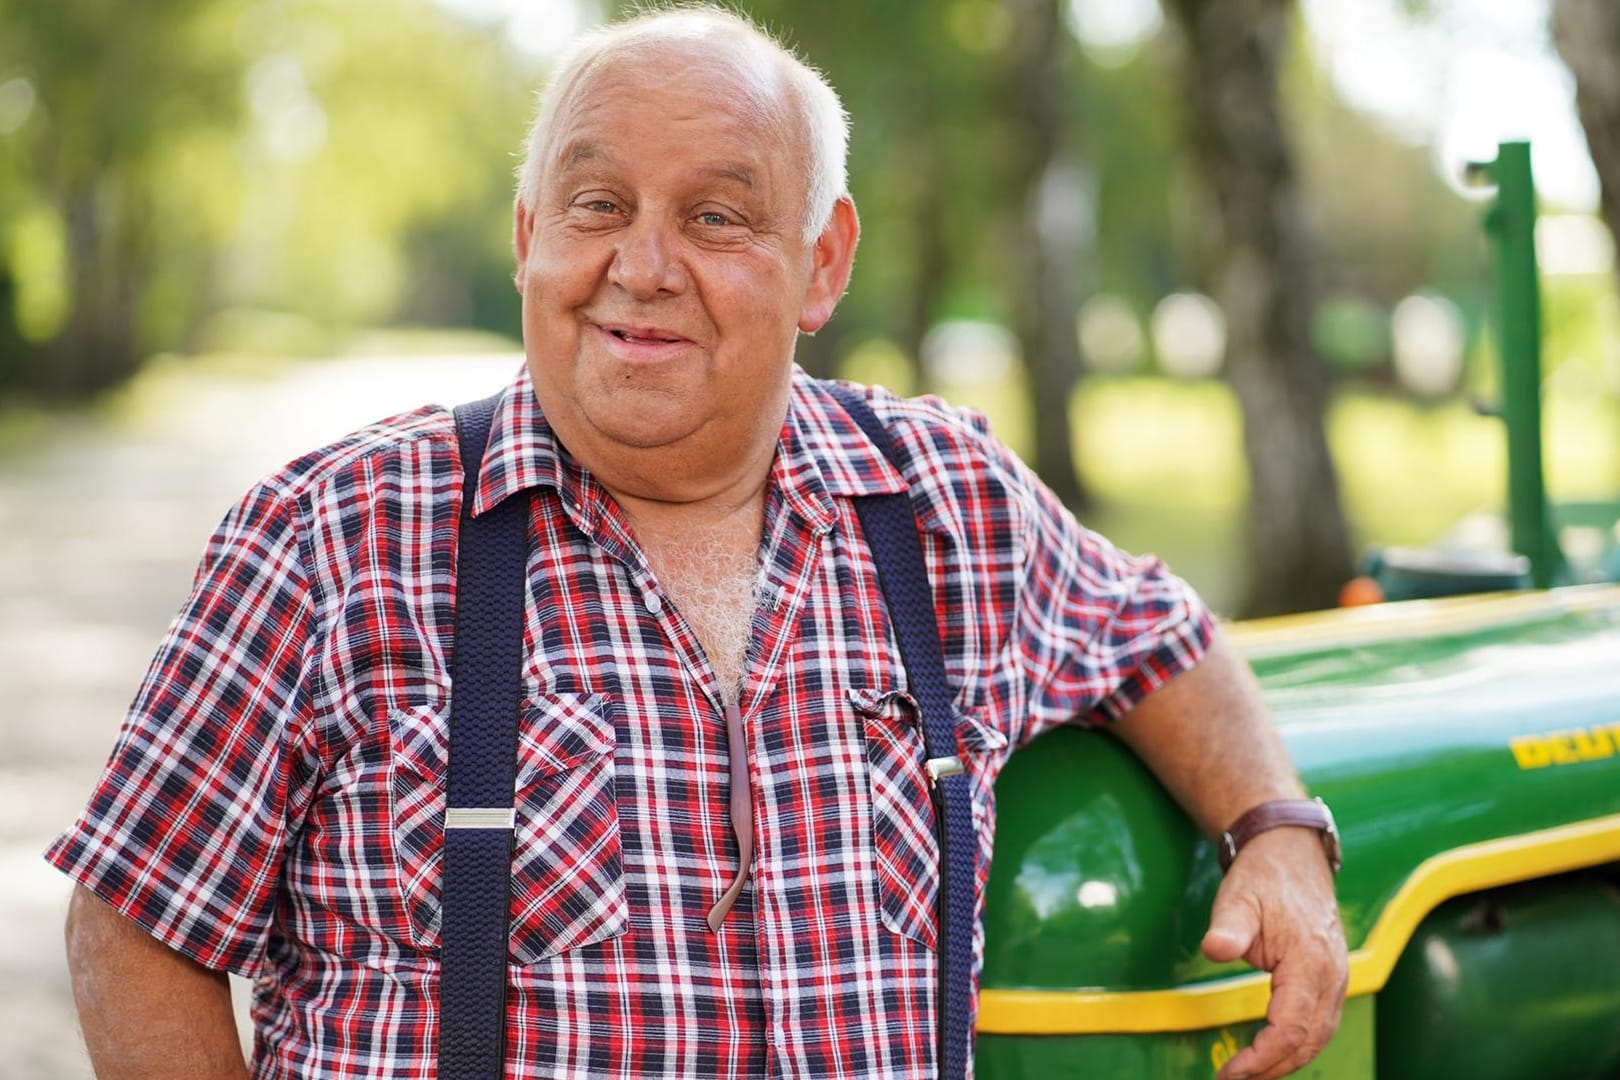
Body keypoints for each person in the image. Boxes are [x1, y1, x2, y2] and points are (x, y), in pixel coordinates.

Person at [50, 7, 1347, 1079]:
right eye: (596, 204)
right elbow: (134, 926)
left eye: (717, 217)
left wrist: (1276, 829)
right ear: (527, 238)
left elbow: (1157, 633)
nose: (643, 265)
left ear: (822, 262)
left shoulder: (947, 503)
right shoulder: (335, 534)